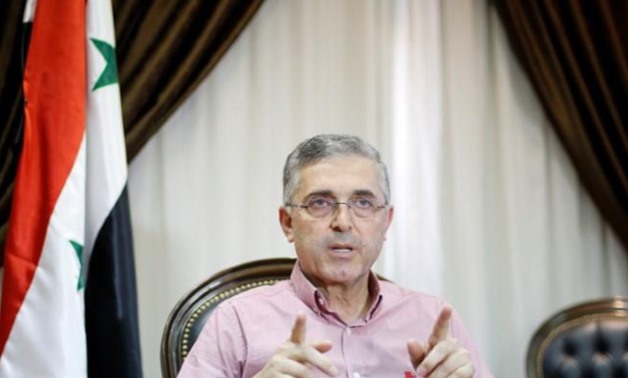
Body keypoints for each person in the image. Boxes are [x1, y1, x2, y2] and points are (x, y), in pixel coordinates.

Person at [179, 134, 493, 377]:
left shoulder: (434, 321)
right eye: (320, 203)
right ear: (287, 223)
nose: (343, 221)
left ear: (386, 222)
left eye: (363, 203)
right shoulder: (237, 321)